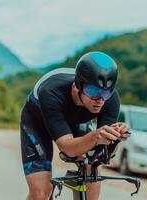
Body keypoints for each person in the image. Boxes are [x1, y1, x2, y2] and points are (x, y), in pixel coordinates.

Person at [20, 51, 130, 200]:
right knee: (41, 193)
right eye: (93, 91)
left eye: (106, 92)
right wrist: (95, 136)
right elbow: (67, 148)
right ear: (77, 86)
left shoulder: (110, 100)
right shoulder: (51, 92)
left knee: (93, 164)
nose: (99, 99)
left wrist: (115, 138)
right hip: (37, 122)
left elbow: (103, 153)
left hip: (75, 121)